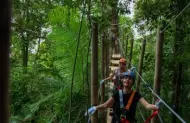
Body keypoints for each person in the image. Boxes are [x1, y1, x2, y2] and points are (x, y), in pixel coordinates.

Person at [86, 70, 159, 123]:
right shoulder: (117, 93)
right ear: (122, 80)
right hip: (116, 121)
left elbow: (147, 105)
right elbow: (106, 105)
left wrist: (155, 106)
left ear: (133, 82)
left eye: (130, 78)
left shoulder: (136, 95)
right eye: (126, 77)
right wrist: (95, 108)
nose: (127, 80)